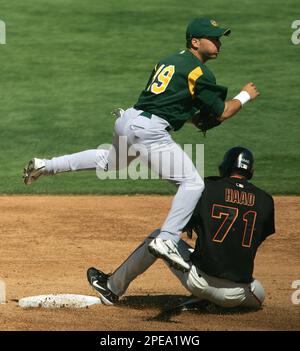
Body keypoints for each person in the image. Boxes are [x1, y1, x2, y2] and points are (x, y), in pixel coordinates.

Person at [23, 18, 260, 272]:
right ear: (195, 42)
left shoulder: (169, 60)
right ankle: (168, 239)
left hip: (129, 120)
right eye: (213, 38)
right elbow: (222, 112)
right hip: (150, 132)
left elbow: (171, 104)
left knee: (107, 161)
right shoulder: (199, 72)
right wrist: (244, 95)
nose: (218, 42)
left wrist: (192, 119)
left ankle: (45, 166)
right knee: (192, 183)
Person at [87, 147, 275, 309]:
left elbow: (183, 223)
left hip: (201, 281)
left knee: (158, 238)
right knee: (259, 292)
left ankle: (111, 288)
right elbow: (254, 239)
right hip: (240, 293)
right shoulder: (266, 200)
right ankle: (212, 302)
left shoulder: (206, 187)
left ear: (225, 166)